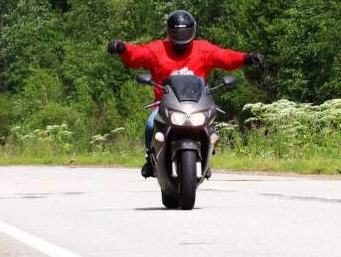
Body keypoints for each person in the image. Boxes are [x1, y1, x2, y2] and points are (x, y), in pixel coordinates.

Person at [107, 10, 265, 178]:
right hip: (164, 104)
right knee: (151, 124)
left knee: (209, 125)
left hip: (197, 103)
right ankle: (149, 157)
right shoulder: (158, 49)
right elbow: (138, 54)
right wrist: (123, 48)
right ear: (169, 32)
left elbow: (225, 56)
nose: (181, 37)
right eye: (177, 33)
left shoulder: (203, 49)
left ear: (193, 31)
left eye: (186, 33)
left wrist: (247, 58)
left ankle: (205, 158)